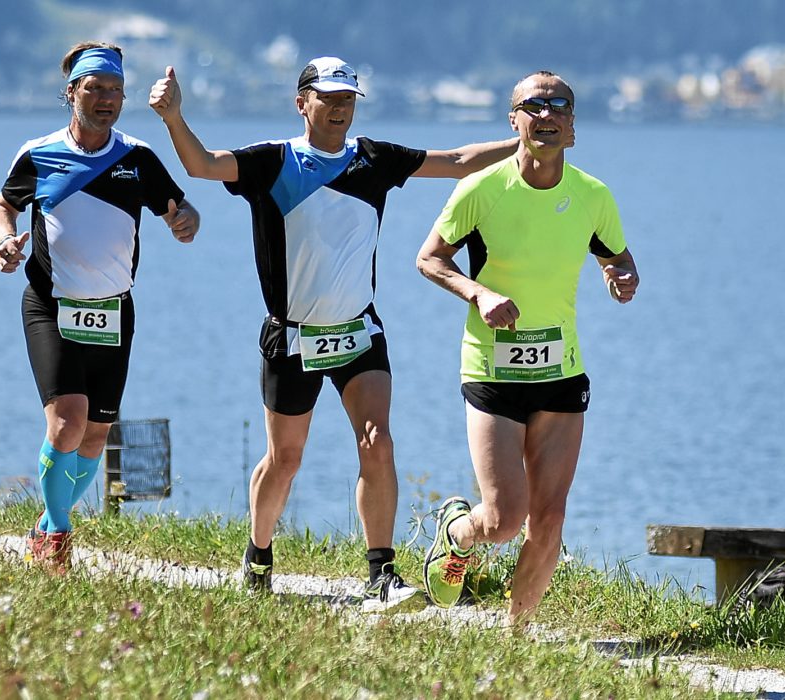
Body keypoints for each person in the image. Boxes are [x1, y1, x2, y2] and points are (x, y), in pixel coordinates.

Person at [147, 56, 517, 607]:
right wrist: (174, 118)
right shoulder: (272, 162)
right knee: (285, 459)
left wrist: (528, 142)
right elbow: (202, 166)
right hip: (292, 337)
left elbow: (460, 160)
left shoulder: (374, 159)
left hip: (360, 334)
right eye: (329, 98)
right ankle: (259, 554)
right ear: (303, 103)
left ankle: (380, 572)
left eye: (348, 99)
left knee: (378, 442)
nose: (340, 108)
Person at [415, 70, 639, 625]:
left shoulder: (592, 196)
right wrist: (478, 291)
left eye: (559, 105)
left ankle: (516, 637)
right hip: (492, 369)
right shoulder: (481, 190)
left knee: (551, 519)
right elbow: (429, 258)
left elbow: (617, 255)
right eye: (532, 105)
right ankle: (459, 532)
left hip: (562, 371)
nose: (546, 114)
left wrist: (622, 276)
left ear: (572, 128)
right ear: (513, 120)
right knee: (506, 519)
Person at [0, 42, 201, 573]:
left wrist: (186, 221)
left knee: (97, 435)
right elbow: (2, 206)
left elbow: (182, 208)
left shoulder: (137, 158)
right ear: (72, 93)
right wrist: (5, 239)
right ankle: (58, 535)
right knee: (67, 424)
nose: (106, 99)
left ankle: (44, 522)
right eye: (95, 88)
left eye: (115, 91)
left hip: (114, 312)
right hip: (50, 305)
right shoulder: (39, 153)